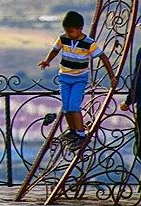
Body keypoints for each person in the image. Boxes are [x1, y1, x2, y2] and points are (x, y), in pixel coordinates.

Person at [38, 10, 115, 150]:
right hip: (64, 77)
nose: (69, 34)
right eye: (66, 31)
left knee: (74, 106)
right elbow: (55, 49)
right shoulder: (63, 38)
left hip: (79, 79)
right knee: (66, 107)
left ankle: (81, 134)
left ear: (80, 29)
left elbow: (103, 58)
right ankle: (72, 130)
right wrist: (47, 60)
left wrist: (112, 76)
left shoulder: (88, 43)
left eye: (71, 32)